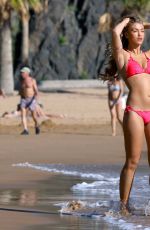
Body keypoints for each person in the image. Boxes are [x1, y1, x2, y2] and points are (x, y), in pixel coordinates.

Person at [111, 15, 150, 214]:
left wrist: (143, 24)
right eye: (135, 31)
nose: (140, 34)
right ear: (127, 33)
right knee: (132, 161)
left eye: (142, 30)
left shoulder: (149, 55)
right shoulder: (123, 56)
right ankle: (123, 205)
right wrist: (127, 21)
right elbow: (114, 32)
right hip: (134, 112)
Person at [19, 66, 40, 135]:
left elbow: (36, 91)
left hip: (32, 99)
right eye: (21, 73)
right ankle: (25, 129)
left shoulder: (32, 80)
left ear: (27, 73)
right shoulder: (21, 81)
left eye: (23, 72)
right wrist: (21, 99)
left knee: (34, 116)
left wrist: (36, 101)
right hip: (23, 99)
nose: (21, 74)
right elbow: (21, 91)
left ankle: (37, 125)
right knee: (23, 115)